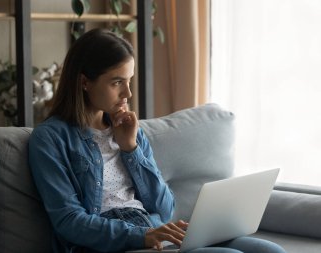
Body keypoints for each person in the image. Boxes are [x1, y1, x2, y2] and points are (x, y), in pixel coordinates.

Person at [28, 28, 286, 253]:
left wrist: (131, 148)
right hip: (110, 243)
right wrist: (142, 236)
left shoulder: (129, 131)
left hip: (152, 229)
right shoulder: (50, 139)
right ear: (84, 82)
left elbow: (165, 208)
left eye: (129, 81)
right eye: (117, 82)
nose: (128, 92)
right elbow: (69, 221)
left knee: (269, 250)